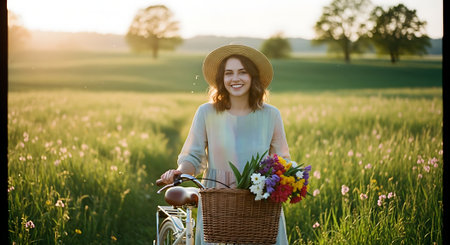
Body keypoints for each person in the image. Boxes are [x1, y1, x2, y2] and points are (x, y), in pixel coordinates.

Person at [159, 44, 290, 245]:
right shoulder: (206, 113)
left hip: (259, 200)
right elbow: (193, 156)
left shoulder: (270, 115)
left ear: (252, 77)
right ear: (222, 80)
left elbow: (282, 160)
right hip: (218, 201)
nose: (235, 78)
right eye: (228, 73)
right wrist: (180, 171)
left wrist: (287, 179)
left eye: (242, 72)